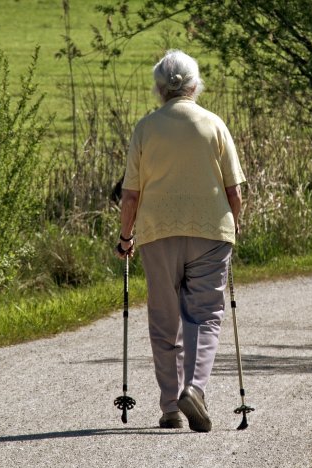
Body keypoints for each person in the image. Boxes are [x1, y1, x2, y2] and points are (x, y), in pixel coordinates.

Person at [114, 49, 245, 432]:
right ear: (194, 85)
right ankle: (195, 389)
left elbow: (131, 196)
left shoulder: (146, 128)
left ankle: (171, 406)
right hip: (210, 232)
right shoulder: (214, 125)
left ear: (159, 89)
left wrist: (126, 238)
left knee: (164, 319)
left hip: (157, 233)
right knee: (204, 315)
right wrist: (234, 226)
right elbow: (234, 190)